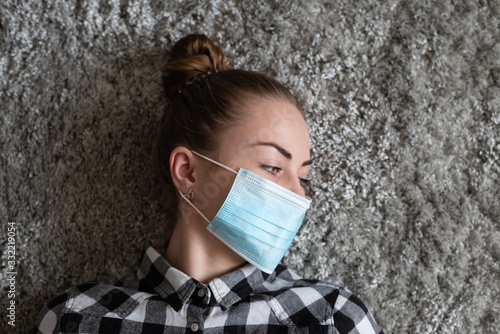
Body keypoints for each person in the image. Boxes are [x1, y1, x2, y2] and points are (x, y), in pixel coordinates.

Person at [34, 34, 383, 334]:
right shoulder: (76, 319)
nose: (299, 195)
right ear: (188, 171)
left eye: (303, 176)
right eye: (274, 167)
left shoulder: (333, 319)